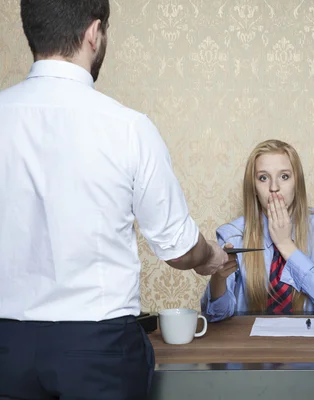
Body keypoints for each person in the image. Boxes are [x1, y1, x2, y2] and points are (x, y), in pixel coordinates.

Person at [0, 1, 228, 399]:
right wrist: (209, 257)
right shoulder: (127, 127)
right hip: (98, 352)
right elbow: (177, 248)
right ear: (94, 33)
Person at [201, 139, 314, 321]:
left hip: (308, 345)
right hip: (251, 344)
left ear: (297, 183)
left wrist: (285, 244)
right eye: (263, 178)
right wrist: (218, 279)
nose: (274, 187)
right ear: (253, 187)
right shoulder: (233, 234)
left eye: (284, 176)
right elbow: (216, 317)